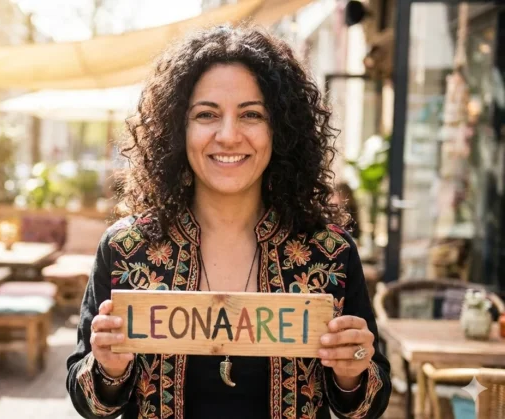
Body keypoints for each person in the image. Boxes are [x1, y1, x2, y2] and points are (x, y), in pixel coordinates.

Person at [66, 25, 391, 418]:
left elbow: (369, 402)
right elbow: (88, 401)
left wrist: (351, 373)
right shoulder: (125, 249)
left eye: (251, 114)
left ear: (281, 129)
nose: (228, 135)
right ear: (176, 128)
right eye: (207, 114)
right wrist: (110, 369)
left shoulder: (329, 254)